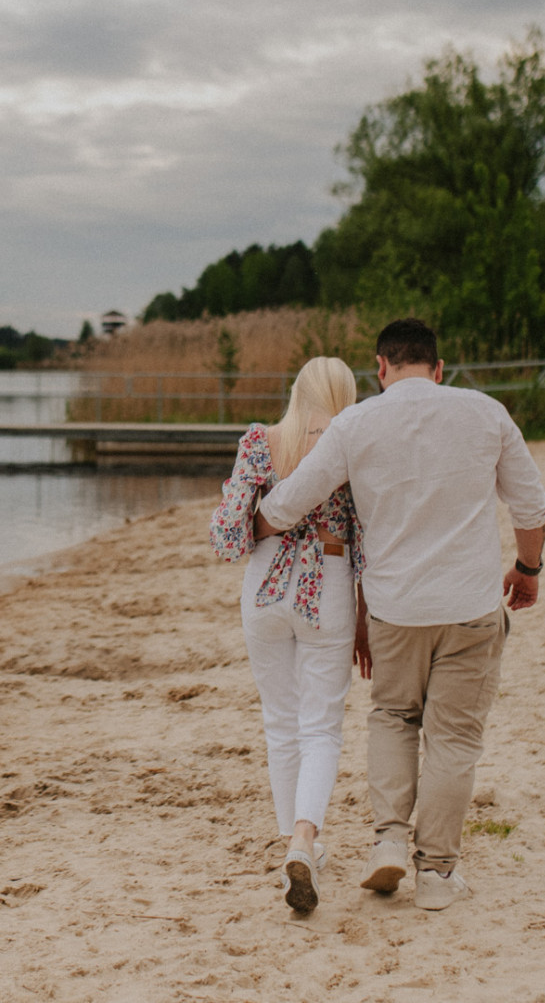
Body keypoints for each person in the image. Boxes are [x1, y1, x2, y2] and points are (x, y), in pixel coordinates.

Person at [254, 318, 545, 912]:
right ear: (439, 369)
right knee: (453, 737)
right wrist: (527, 568)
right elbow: (532, 505)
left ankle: (389, 839)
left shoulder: (357, 422)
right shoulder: (486, 413)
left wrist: (252, 529)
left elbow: (292, 501)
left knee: (393, 716)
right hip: (469, 605)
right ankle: (437, 874)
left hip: (394, 609)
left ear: (381, 368)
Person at [209, 356, 367, 916]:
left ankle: (292, 848)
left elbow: (228, 535)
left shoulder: (259, 440)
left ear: (297, 392)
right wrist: (366, 618)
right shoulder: (353, 448)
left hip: (265, 589)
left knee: (280, 720)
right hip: (326, 584)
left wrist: (259, 519)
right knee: (320, 725)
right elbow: (365, 537)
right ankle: (304, 837)